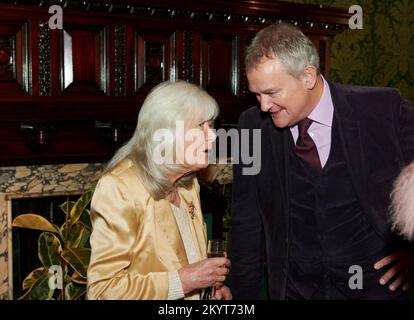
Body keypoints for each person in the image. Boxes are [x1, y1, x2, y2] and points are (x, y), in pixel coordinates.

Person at [230, 23, 414, 300]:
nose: (264, 106)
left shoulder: (383, 108)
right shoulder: (250, 127)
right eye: (257, 94)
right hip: (295, 290)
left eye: (272, 93)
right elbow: (245, 221)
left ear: (308, 76)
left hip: (374, 288)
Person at [87, 80, 232, 300]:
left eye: (211, 125)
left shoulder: (187, 183)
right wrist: (183, 282)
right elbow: (102, 291)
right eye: (200, 125)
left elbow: (187, 262)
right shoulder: (119, 188)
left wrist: (208, 292)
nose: (212, 136)